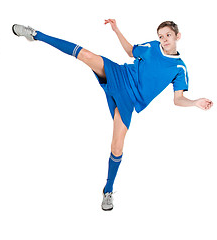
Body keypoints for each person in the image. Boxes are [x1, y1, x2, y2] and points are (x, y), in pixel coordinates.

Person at [12, 20, 213, 211]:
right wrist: (117, 30)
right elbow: (130, 51)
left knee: (116, 146)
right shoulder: (152, 47)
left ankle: (108, 190)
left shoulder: (180, 68)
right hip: (119, 74)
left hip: (129, 101)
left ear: (178, 36)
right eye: (161, 36)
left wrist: (195, 103)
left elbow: (178, 99)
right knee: (85, 55)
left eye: (168, 35)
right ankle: (36, 34)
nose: (164, 39)